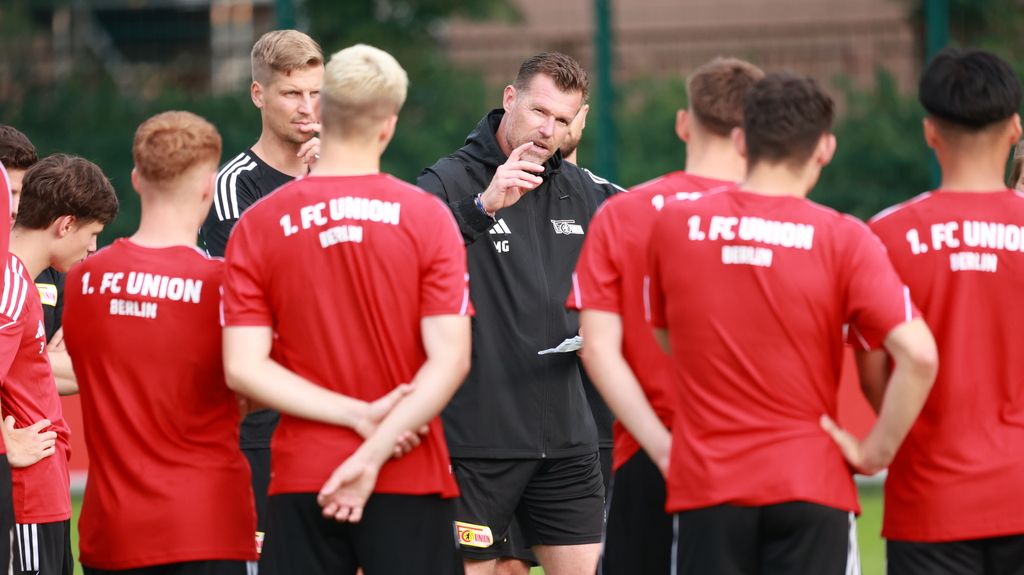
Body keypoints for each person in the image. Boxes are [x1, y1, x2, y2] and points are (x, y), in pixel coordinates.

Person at [644, 72, 939, 574]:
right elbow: (920, 354)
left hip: (711, 484)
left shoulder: (674, 224)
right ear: (825, 148)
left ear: (741, 140)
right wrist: (875, 452)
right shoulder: (845, 237)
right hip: (811, 479)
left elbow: (667, 335)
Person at [222, 43, 471, 575]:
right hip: (409, 472)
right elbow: (450, 360)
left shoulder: (260, 224)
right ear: (389, 125)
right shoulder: (428, 218)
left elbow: (243, 366)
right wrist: (373, 453)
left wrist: (353, 421)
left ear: (324, 112)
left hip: (304, 475)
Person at [417, 52, 617, 575]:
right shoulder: (448, 181)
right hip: (477, 443)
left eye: (563, 119)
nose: (549, 130)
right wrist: (483, 207)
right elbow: (403, 265)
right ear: (510, 99)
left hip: (570, 442)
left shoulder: (582, 193)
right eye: (539, 112)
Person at [570, 56, 762, 574]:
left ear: (684, 123)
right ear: (756, 132)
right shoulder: (787, 219)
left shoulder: (624, 212)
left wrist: (661, 447)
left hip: (650, 456)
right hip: (761, 456)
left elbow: (596, 345)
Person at [60, 111, 258, 574]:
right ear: (209, 186)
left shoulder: (85, 278)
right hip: (206, 528)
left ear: (135, 179)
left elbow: (95, 371)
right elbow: (252, 386)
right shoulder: (225, 284)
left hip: (112, 533)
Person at [862, 48, 1024, 574]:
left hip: (930, 502)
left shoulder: (885, 235)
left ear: (930, 132)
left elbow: (873, 371)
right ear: (1016, 128)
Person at [199, 29, 323, 543]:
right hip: (264, 421)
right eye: (292, 93)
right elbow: (257, 302)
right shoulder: (235, 187)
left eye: (317, 93)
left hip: (339, 409)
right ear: (259, 95)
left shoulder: (345, 174)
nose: (307, 108)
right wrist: (316, 199)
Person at [4, 153, 118, 575]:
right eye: (92, 234)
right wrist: (7, 442)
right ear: (65, 224)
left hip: (44, 493)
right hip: (27, 496)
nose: (93, 248)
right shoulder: (11, 285)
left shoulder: (20, 284)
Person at [0, 127, 72, 393]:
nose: (15, 207)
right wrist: (37, 359)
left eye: (22, 194)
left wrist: (19, 361)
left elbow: (78, 369)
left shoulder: (47, 264)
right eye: (7, 193)